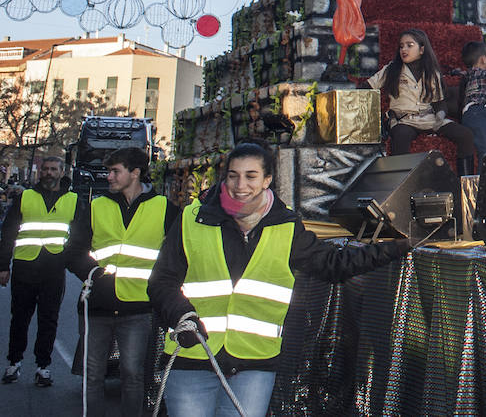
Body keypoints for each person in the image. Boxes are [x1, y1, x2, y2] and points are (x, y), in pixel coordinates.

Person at [148, 142, 409, 417]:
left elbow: (334, 264)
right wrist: (182, 314)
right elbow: (161, 281)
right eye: (233, 175)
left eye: (251, 176)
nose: (240, 185)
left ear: (267, 180)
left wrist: (400, 245)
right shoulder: (192, 218)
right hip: (193, 359)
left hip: (254, 365)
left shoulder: (286, 225)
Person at [66, 146, 180, 417]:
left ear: (135, 173)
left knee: (133, 375)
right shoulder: (97, 206)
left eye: (115, 171)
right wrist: (93, 273)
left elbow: (180, 252)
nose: (109, 177)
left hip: (139, 308)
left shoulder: (163, 207)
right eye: (108, 171)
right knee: (92, 375)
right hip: (97, 305)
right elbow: (72, 251)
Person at [0, 155, 75, 387]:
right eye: (45, 169)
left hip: (53, 269)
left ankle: (43, 367)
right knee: (19, 319)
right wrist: (3, 266)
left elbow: (80, 236)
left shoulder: (73, 200)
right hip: (25, 267)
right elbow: (8, 233)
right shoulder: (25, 197)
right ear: (39, 172)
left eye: (54, 169)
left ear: (61, 172)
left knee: (48, 319)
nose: (49, 173)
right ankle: (14, 362)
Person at [367, 28, 476, 159]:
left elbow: (439, 103)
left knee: (465, 135)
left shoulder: (432, 72)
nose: (404, 50)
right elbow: (368, 86)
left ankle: (466, 178)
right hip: (404, 120)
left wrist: (440, 115)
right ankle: (402, 178)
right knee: (401, 136)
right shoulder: (391, 69)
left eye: (409, 45)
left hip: (429, 119)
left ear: (421, 50)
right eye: (401, 46)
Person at [461, 40, 486, 159]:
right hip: (478, 112)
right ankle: (485, 176)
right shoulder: (485, 74)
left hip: (468, 114)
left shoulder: (469, 75)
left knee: (483, 146)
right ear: (483, 60)